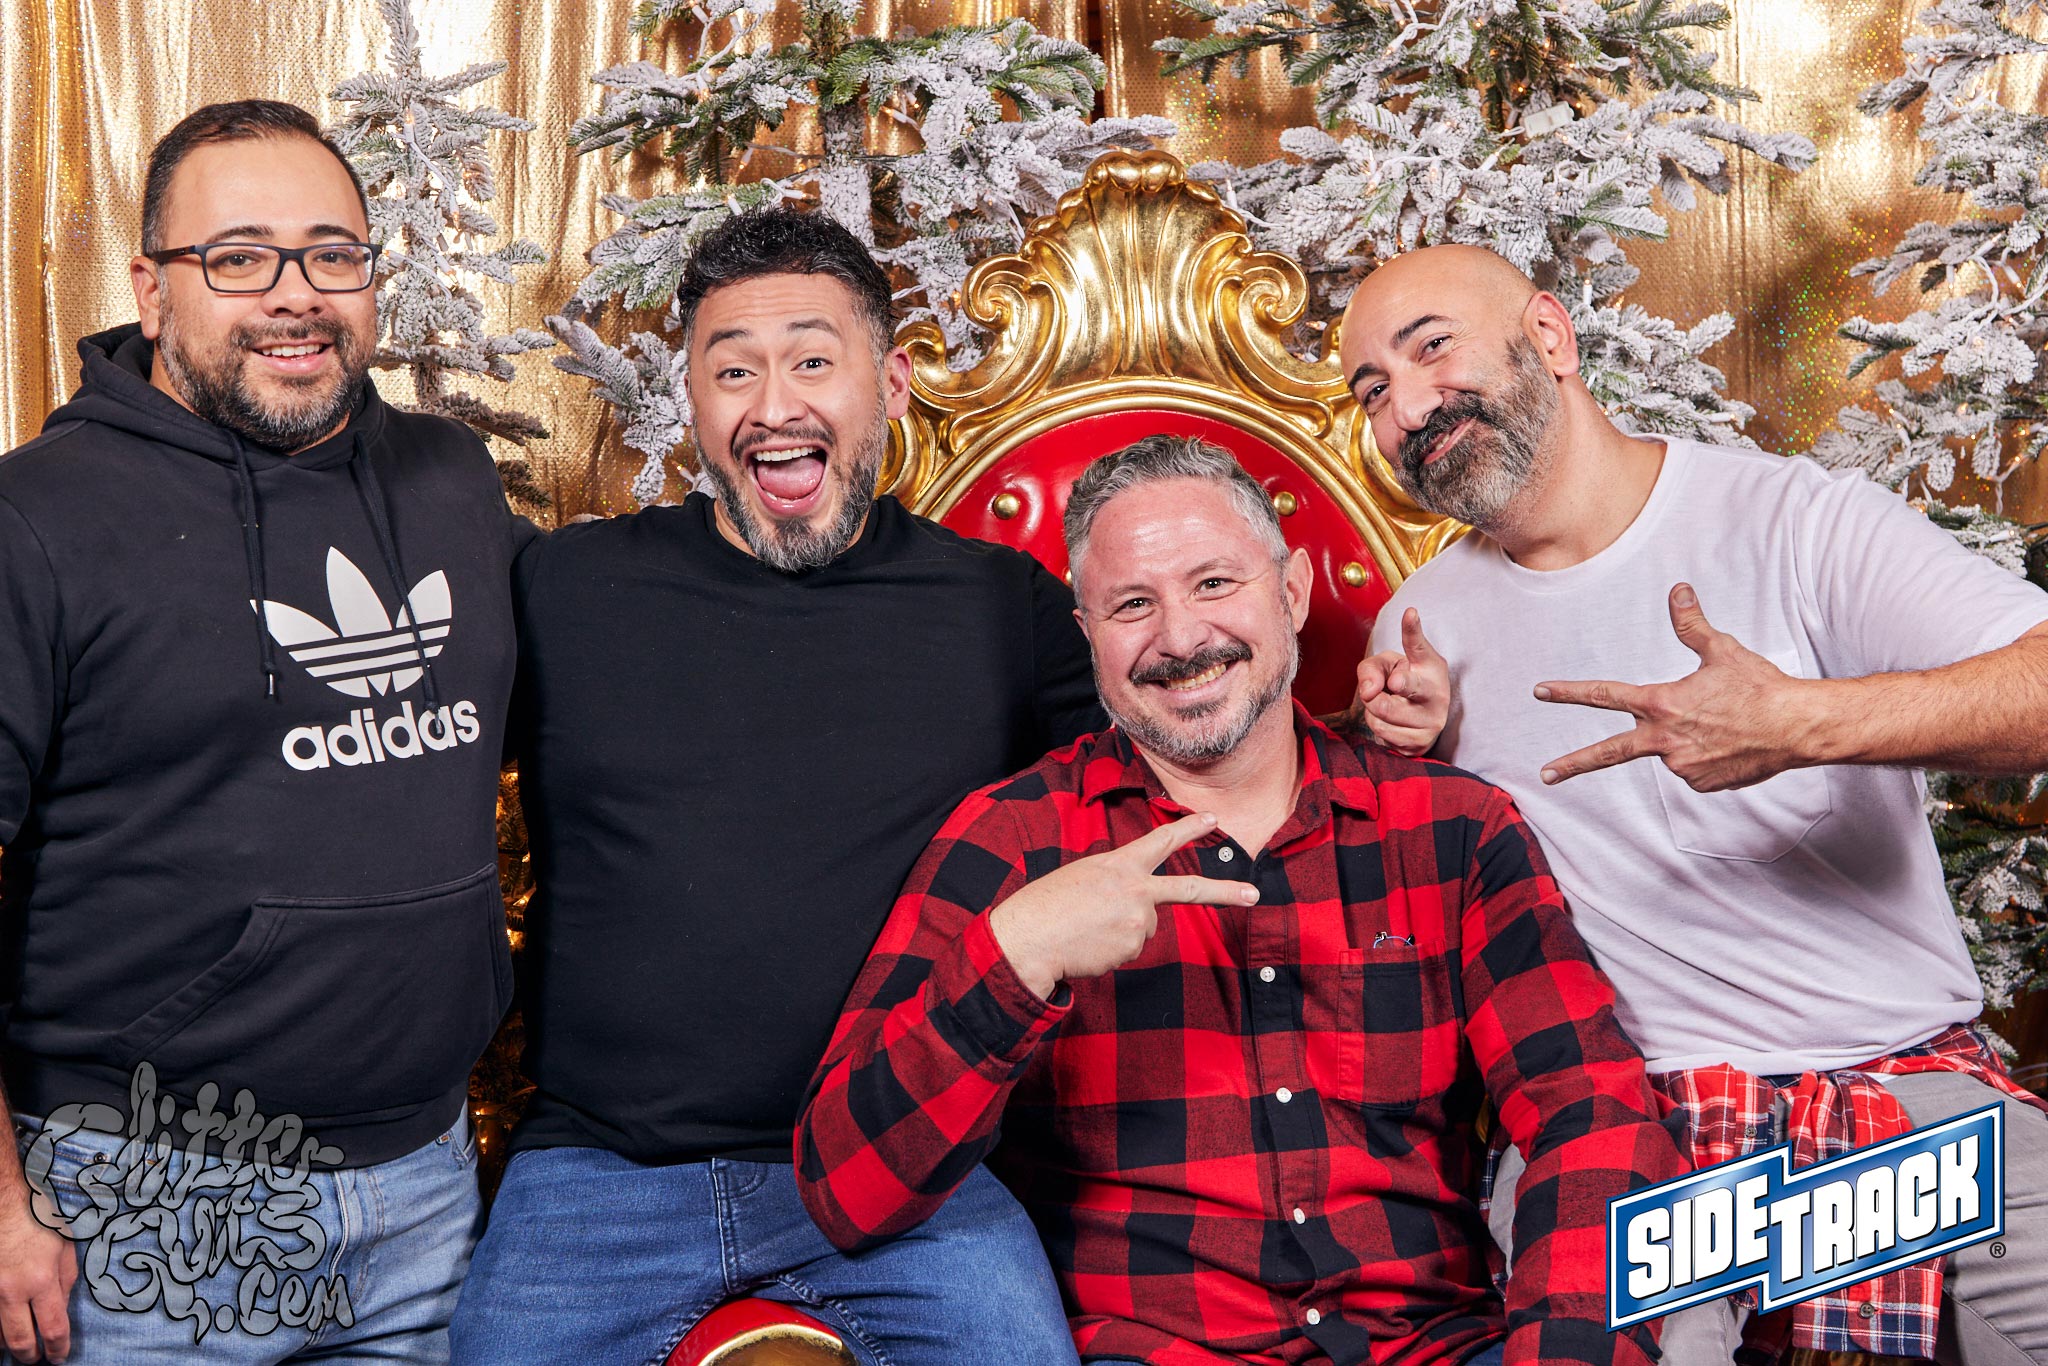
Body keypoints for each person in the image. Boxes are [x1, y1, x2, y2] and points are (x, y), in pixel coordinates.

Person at [451, 209, 1443, 1365]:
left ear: (891, 385)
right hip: (601, 1177)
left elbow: (1180, 741)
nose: (773, 404)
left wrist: (1364, 728)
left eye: (811, 361)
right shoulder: (568, 587)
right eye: (732, 371)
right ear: (694, 402)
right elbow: (397, 751)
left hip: (912, 1164)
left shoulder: (997, 605)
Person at [795, 435, 1686, 1366]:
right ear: (1088, 632)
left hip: (1435, 1348)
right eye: (1133, 604)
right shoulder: (1013, 840)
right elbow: (847, 1190)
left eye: (1214, 583)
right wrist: (1015, 961)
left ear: (1291, 592)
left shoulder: (1450, 829)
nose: (1181, 638)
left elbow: (1591, 1116)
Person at [1339, 243, 2048, 1366]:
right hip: (1629, 1126)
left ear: (1548, 336)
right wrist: (1400, 760)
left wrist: (1800, 722)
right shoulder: (1420, 628)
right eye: (1374, 390)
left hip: (1900, 1098)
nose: (1410, 408)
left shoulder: (1794, 522)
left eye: (1433, 348)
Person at [0, 101, 526, 1364]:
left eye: (332, 253)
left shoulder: (449, 479)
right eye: (239, 257)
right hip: (143, 1204)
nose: (296, 294)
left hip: (424, 1187)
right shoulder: (36, 521)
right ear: (152, 289)